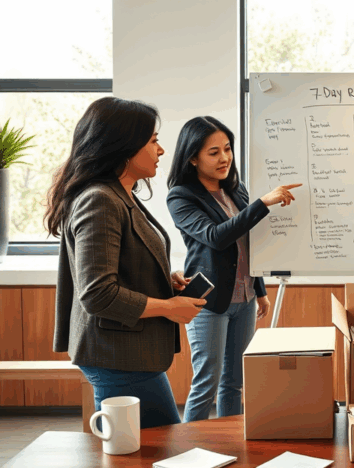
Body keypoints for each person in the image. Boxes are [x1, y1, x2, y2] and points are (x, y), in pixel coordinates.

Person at [46, 97, 207, 429]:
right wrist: (167, 306)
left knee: (147, 448)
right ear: (123, 146)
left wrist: (166, 279)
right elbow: (98, 295)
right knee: (149, 450)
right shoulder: (100, 200)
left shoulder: (119, 193)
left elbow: (122, 265)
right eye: (153, 141)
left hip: (123, 354)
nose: (161, 151)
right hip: (116, 354)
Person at [166, 116, 301, 422]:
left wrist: (260, 290)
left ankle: (230, 444)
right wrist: (263, 203)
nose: (224, 158)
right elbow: (217, 237)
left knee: (235, 383)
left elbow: (249, 246)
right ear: (192, 157)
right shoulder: (181, 197)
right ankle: (193, 450)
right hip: (208, 301)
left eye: (227, 149)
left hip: (246, 297)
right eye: (213, 152)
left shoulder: (235, 191)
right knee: (207, 383)